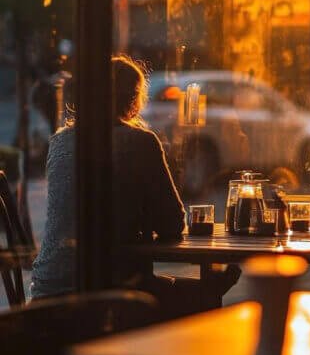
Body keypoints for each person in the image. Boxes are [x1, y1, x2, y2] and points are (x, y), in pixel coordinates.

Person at [31, 55, 240, 315]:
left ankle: (209, 291)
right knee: (203, 296)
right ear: (134, 99)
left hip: (46, 296)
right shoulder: (140, 142)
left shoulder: (59, 142)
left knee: (191, 290)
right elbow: (172, 224)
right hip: (110, 298)